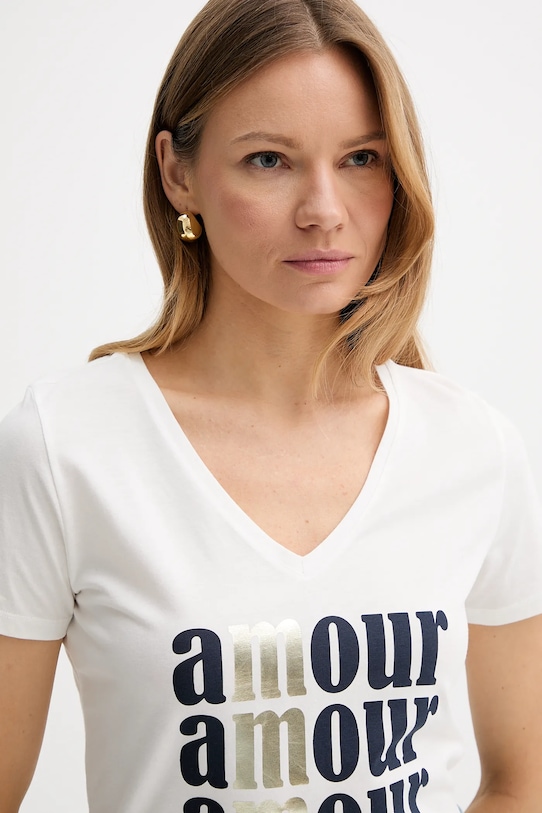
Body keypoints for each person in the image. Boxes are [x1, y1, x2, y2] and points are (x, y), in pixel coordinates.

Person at [1, 0, 541, 810]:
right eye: (268, 160)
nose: (324, 209)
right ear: (178, 173)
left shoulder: (472, 448)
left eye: (361, 157)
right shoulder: (64, 445)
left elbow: (523, 779)